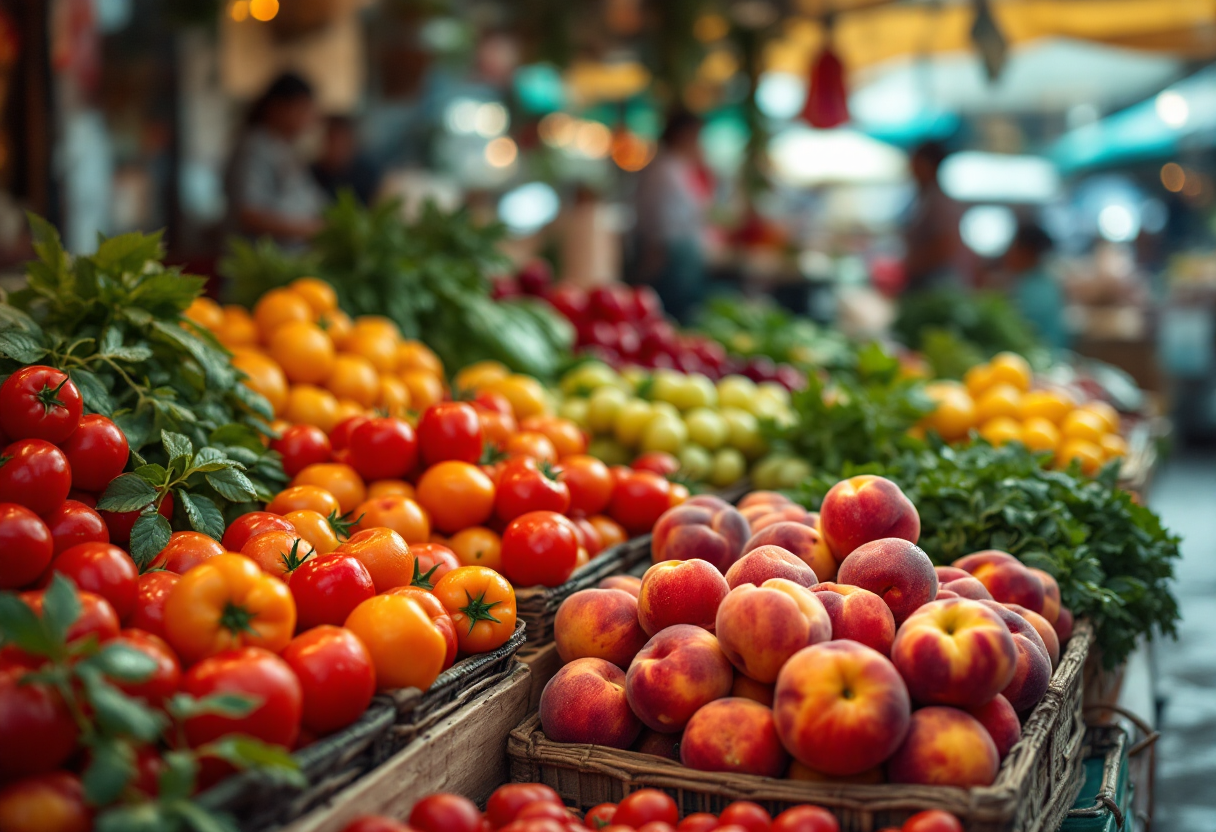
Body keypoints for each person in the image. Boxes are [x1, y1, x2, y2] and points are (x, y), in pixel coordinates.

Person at [225, 72, 326, 247]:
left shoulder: (286, 148)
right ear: (277, 108)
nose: (310, 118)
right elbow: (249, 215)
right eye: (303, 109)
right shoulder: (254, 148)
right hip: (261, 267)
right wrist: (312, 229)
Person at [632, 110, 710, 322]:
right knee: (671, 316)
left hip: (682, 254)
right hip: (669, 256)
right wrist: (655, 255)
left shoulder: (679, 168)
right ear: (683, 134)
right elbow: (659, 220)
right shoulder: (663, 171)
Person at [902, 141, 965, 292]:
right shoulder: (924, 198)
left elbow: (947, 245)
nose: (911, 168)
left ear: (928, 165)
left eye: (916, 162)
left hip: (934, 283)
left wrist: (915, 262)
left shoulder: (938, 202)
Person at [1006, 220, 1068, 350]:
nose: (1009, 253)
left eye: (1014, 247)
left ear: (1027, 251)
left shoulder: (1036, 290)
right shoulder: (1042, 282)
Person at [311, 115, 381, 205]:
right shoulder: (313, 171)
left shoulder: (367, 173)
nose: (337, 147)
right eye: (333, 141)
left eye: (342, 142)